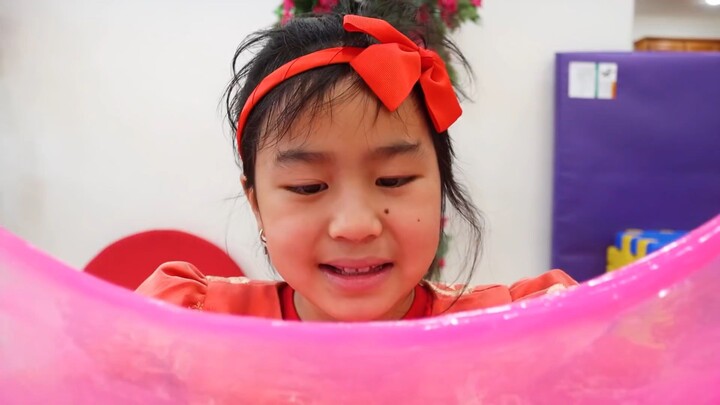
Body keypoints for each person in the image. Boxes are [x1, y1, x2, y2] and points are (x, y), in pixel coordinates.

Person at [136, 1, 576, 322]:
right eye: (308, 186)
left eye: (394, 179)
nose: (355, 225)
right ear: (257, 205)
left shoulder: (520, 330)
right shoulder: (192, 325)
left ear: (439, 187)